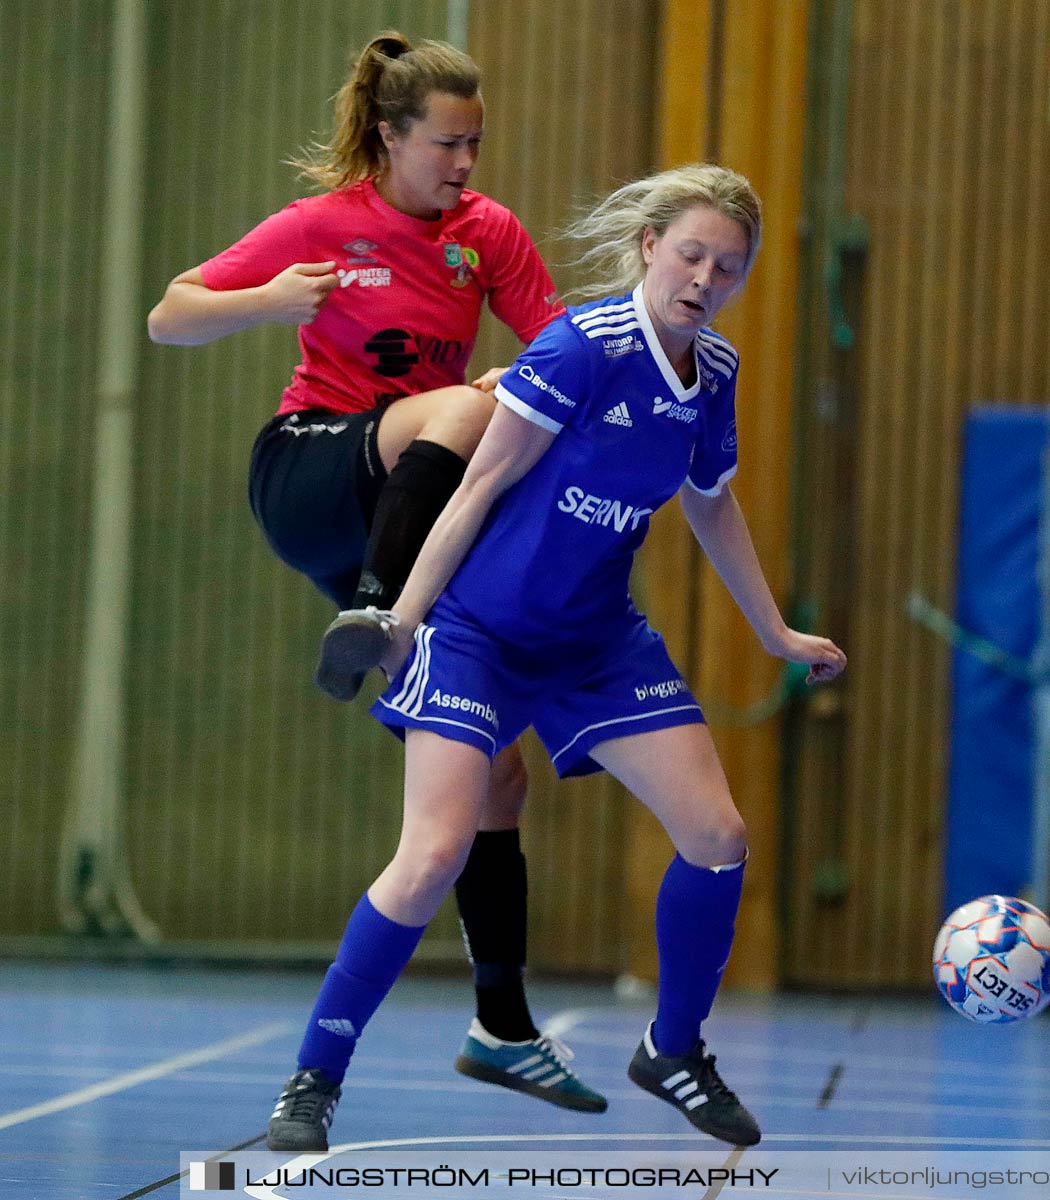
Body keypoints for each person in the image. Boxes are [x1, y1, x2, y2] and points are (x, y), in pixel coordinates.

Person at [263, 162, 847, 1152]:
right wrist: (400, 617)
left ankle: (672, 1050)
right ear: (648, 246)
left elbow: (709, 501)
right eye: (692, 253)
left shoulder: (715, 374)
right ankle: (313, 1079)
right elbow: (475, 488)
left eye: (729, 266)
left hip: (593, 640)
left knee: (718, 835)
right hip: (479, 634)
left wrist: (774, 631)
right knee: (431, 856)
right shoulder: (580, 347)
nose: (705, 278)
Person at [145, 31, 607, 1125]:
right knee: (461, 410)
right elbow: (169, 315)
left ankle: (502, 1026)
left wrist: (525, 367)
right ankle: (376, 605)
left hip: (407, 495)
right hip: (311, 473)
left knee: (493, 776)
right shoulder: (323, 226)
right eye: (445, 143)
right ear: (391, 138)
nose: (464, 164)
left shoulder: (483, 234)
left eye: (476, 143)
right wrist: (266, 303)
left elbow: (557, 349)